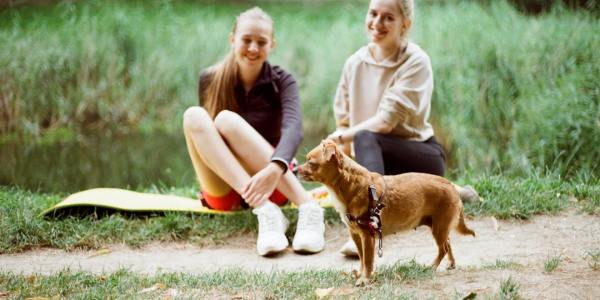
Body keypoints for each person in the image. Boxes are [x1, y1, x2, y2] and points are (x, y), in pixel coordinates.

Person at [326, 0, 478, 256]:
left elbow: (384, 122)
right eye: (373, 14)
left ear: (405, 25)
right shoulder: (355, 63)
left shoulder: (416, 61)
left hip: (419, 155)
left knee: (365, 136)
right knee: (362, 141)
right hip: (372, 163)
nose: (377, 23)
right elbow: (342, 118)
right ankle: (451, 190)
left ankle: (369, 224)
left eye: (388, 18)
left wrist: (341, 136)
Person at [182, 7, 325, 256]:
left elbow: (294, 127)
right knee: (194, 115)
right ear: (232, 39)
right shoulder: (209, 78)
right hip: (226, 190)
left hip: (274, 184)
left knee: (226, 120)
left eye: (261, 42)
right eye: (246, 40)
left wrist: (274, 168)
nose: (252, 48)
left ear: (272, 44)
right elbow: (207, 141)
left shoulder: (283, 81)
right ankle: (267, 212)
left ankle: (309, 209)